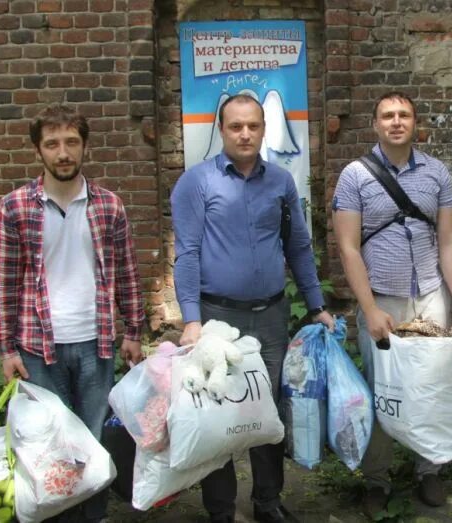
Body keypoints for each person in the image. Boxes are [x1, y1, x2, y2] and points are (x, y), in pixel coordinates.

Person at [171, 93, 334, 523]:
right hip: (216, 319)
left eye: (253, 126)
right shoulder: (197, 182)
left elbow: (298, 246)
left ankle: (267, 503)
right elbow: (186, 253)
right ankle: (220, 510)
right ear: (221, 130)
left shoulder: (280, 182)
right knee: (217, 412)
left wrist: (316, 305)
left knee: (269, 412)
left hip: (272, 317)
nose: (245, 133)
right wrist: (190, 320)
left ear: (264, 129)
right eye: (235, 126)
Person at [0, 105, 145, 523]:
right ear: (38, 150)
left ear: (84, 147)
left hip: (96, 342)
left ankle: (93, 516)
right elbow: (2, 281)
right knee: (49, 442)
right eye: (52, 144)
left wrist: (133, 329)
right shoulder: (16, 207)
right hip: (38, 347)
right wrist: (6, 349)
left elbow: (127, 271)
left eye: (71, 143)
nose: (63, 153)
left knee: (91, 439)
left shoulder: (109, 206)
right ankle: (57, 515)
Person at [332, 91, 452, 517]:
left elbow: (448, 240)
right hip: (383, 300)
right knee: (384, 391)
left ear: (415, 123)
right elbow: (348, 247)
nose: (396, 122)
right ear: (375, 125)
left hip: (431, 297)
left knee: (432, 387)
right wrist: (369, 308)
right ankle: (377, 479)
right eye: (387, 116)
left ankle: (429, 470)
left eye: (404, 115)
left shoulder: (436, 173)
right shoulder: (354, 176)